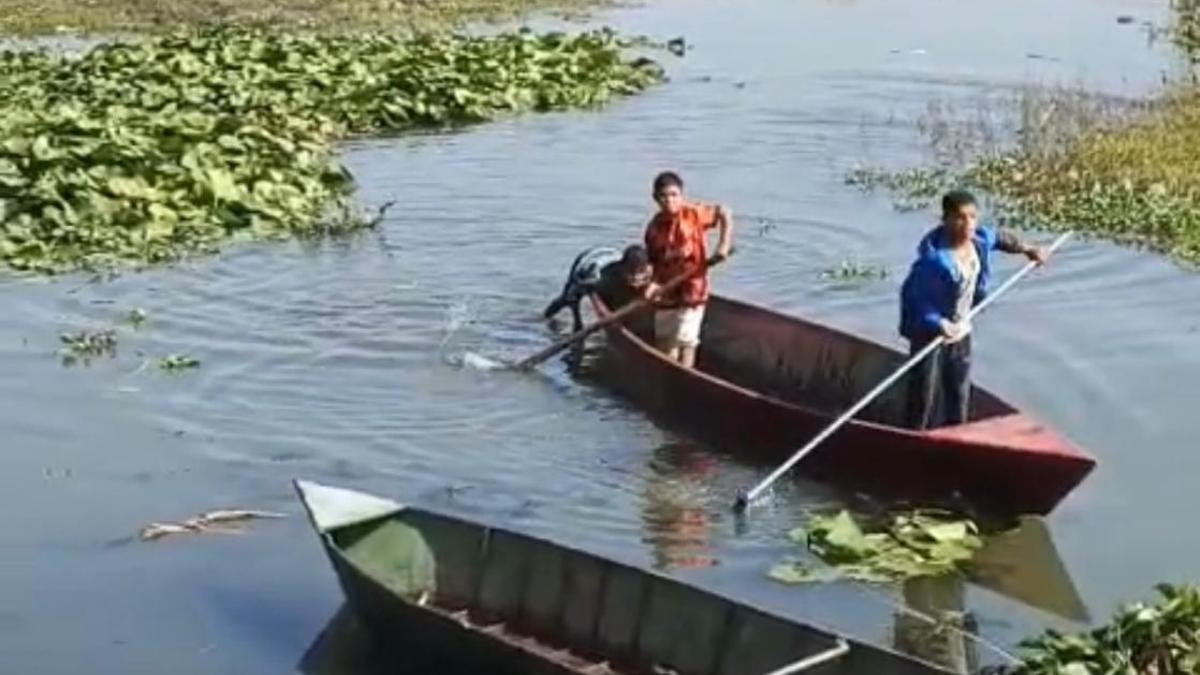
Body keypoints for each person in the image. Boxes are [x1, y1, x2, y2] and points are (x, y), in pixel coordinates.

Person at [899, 190, 1047, 430]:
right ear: (945, 220)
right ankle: (912, 438)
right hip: (930, 334)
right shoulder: (934, 262)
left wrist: (1028, 249)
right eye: (959, 217)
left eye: (972, 217)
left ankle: (956, 436)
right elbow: (915, 300)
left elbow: (1000, 238)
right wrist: (938, 323)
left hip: (961, 330)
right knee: (922, 397)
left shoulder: (978, 240)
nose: (967, 224)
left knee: (959, 392)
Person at [642, 171, 733, 369]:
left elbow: (724, 212)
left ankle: (683, 378)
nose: (670, 201)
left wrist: (723, 245)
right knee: (665, 342)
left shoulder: (693, 214)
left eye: (674, 195)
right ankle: (666, 377)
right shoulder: (654, 228)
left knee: (685, 339)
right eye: (664, 196)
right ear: (656, 199)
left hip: (693, 287)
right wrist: (652, 285)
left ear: (681, 196)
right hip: (667, 287)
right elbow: (653, 263)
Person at [542, 244, 653, 332]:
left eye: (640, 273)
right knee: (569, 300)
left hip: (609, 254)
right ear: (622, 268)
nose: (636, 278)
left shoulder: (649, 271)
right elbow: (585, 290)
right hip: (587, 262)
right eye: (631, 273)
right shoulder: (598, 278)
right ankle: (543, 318)